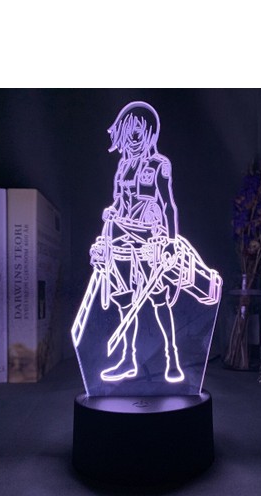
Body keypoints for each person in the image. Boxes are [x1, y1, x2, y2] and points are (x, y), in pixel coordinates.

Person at [89, 101, 184, 383]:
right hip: (122, 240)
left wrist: (171, 243)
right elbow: (120, 204)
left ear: (149, 133)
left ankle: (172, 359)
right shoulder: (122, 167)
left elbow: (168, 205)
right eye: (128, 131)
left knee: (159, 299)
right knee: (124, 301)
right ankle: (127, 360)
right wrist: (111, 211)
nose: (132, 138)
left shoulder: (159, 165)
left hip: (151, 240)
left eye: (138, 131)